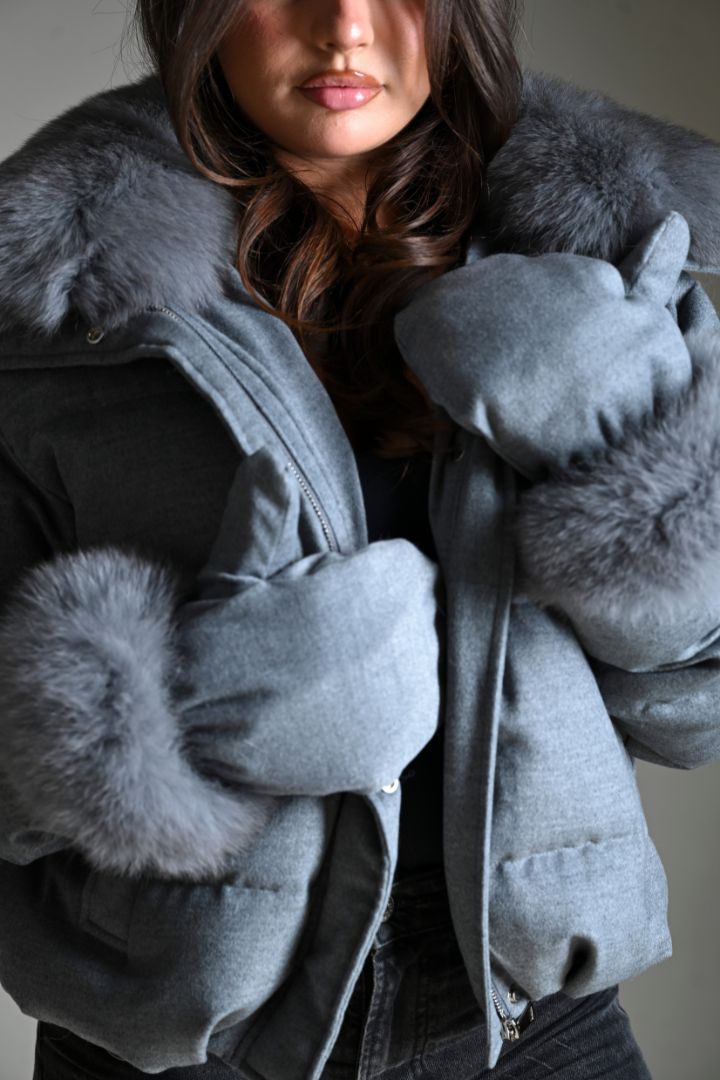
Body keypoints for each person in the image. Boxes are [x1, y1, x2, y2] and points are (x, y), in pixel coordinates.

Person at [0, 1, 719, 1078]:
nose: (345, 26)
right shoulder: (51, 304)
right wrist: (204, 712)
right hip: (182, 1050)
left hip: (529, 1030)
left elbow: (699, 705)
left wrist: (625, 464)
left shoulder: (612, 257)